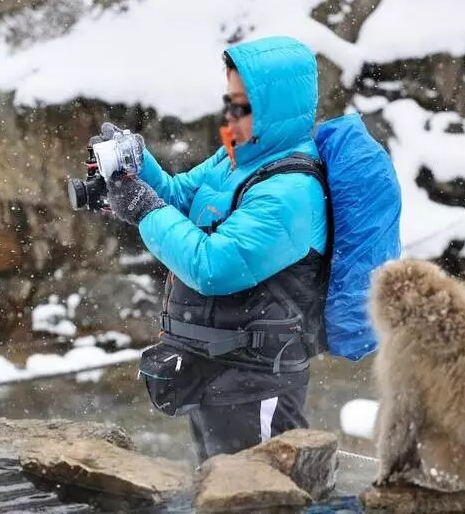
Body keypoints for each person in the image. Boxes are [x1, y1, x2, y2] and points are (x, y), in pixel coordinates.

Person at [100, 35, 330, 463]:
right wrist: (137, 167)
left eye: (243, 106)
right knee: (216, 489)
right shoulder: (235, 159)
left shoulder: (291, 191)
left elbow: (213, 267)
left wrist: (144, 209)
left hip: (256, 382)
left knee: (262, 493)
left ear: (275, 109)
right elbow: (177, 197)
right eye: (229, 102)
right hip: (211, 369)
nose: (230, 116)